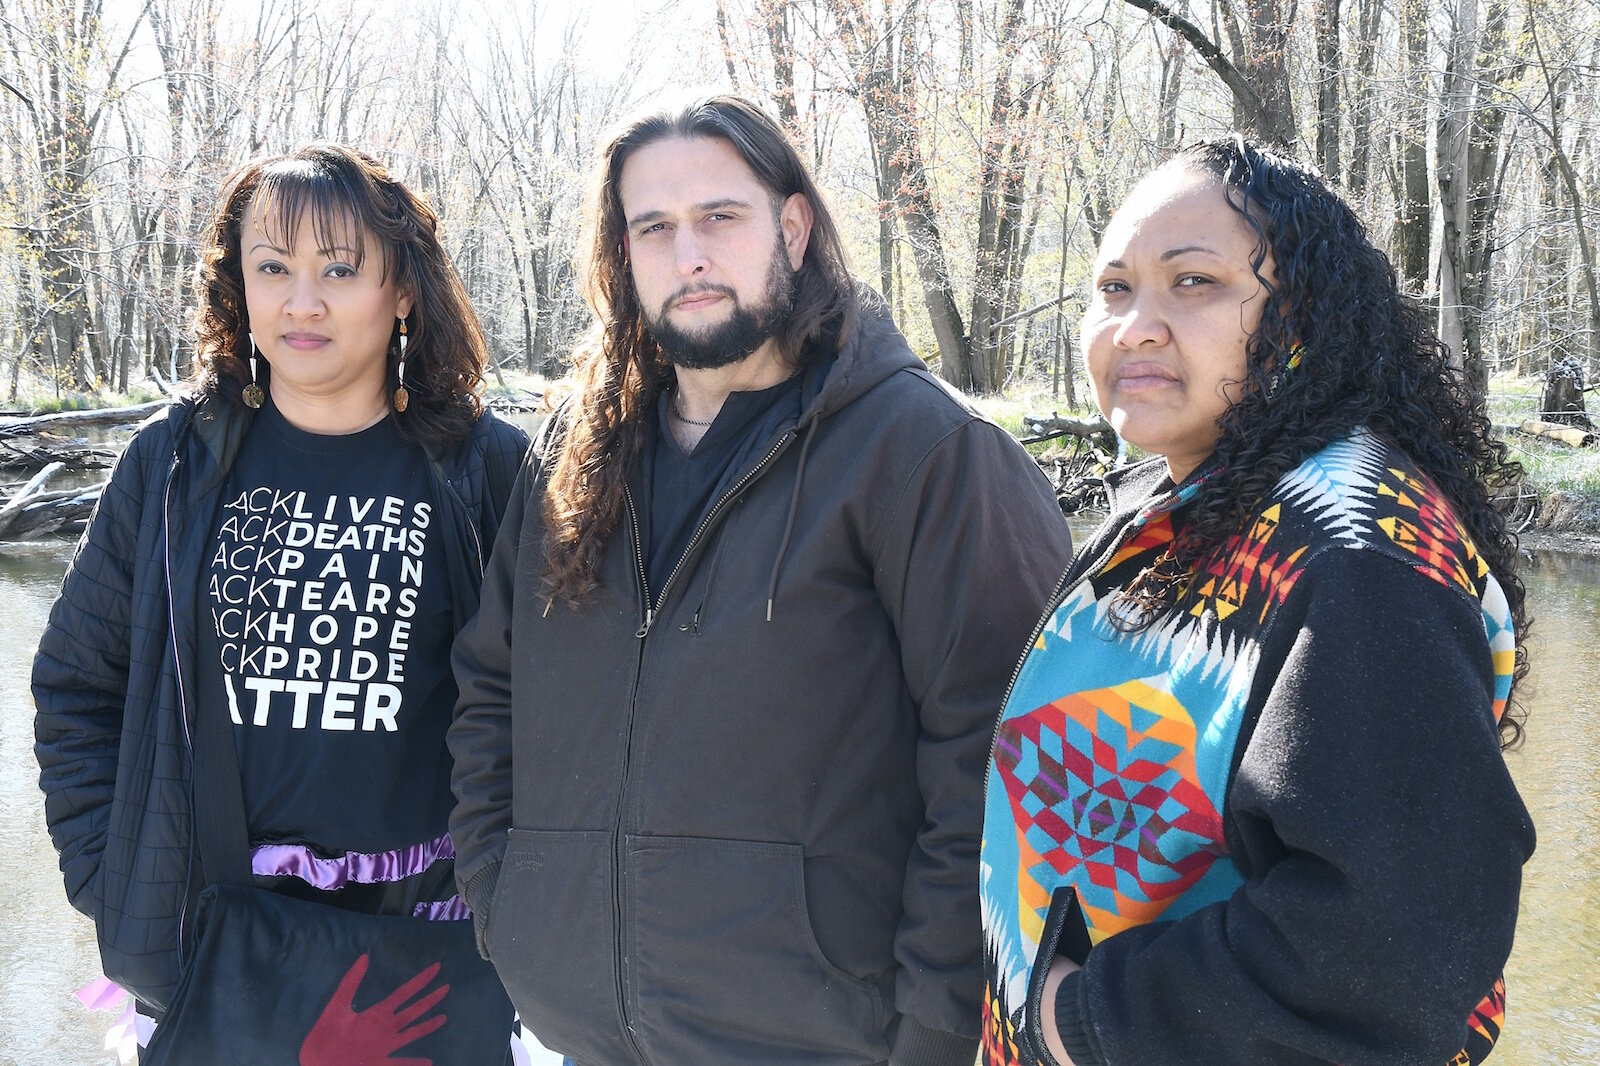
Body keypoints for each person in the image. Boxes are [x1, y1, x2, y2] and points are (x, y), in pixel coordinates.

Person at [447, 93, 1072, 1066]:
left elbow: (999, 762)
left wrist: (940, 1028)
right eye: (652, 227)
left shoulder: (923, 452)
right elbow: (493, 689)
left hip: (828, 1044)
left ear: (793, 224)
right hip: (583, 1034)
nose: (686, 254)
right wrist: (507, 904)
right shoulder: (576, 450)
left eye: (718, 218)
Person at [978, 138, 1536, 1066]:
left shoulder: (1354, 550)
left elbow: (1401, 942)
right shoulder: (1205, 496)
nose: (1137, 326)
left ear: (1301, 314)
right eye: (1114, 289)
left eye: (1191, 283)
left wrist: (1082, 1022)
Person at [32, 144, 529, 1051]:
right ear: (239, 286)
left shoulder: (484, 472)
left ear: (403, 290)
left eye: (340, 269)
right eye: (273, 268)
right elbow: (76, 687)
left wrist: (518, 904)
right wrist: (117, 881)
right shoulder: (174, 465)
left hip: (430, 957)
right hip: (212, 950)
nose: (304, 301)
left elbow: (555, 717)